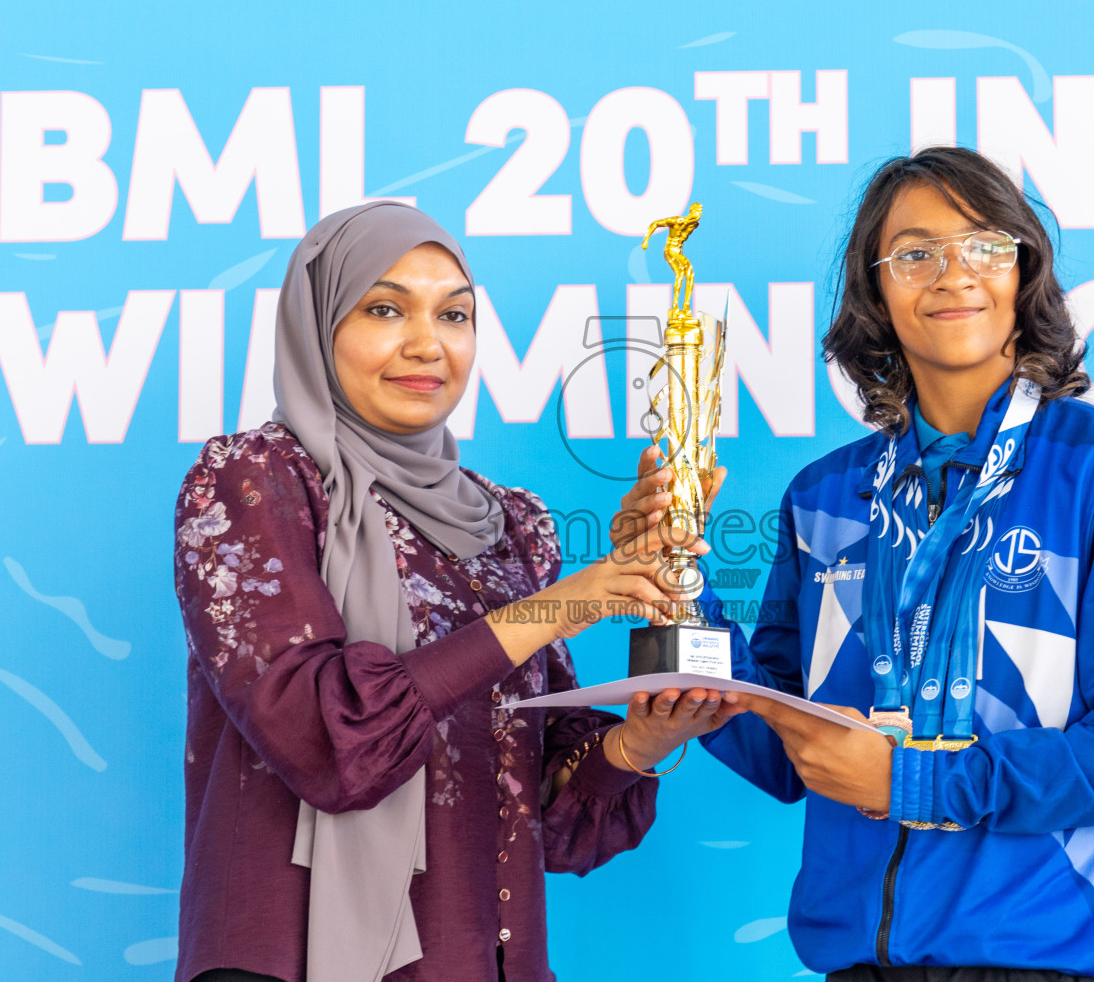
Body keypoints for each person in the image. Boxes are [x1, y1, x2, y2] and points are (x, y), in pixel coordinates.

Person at [615, 147, 1094, 980]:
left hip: (1050, 962)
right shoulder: (827, 497)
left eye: (985, 246)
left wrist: (914, 782)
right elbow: (785, 748)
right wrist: (677, 592)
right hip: (859, 966)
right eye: (916, 253)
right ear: (877, 292)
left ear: (1021, 272)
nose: (953, 274)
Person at [171, 201, 737, 982]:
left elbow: (551, 810)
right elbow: (325, 737)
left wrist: (642, 740)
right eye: (383, 308)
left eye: (455, 314)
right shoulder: (253, 483)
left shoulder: (510, 525)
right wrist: (562, 605)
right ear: (318, 323)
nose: (426, 344)